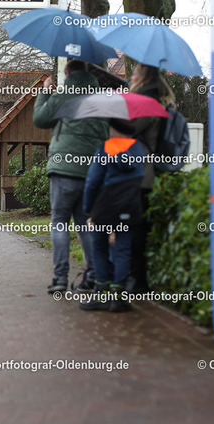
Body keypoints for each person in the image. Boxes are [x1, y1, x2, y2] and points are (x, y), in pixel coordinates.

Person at [33, 60, 110, 294]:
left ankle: (59, 279)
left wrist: (46, 91)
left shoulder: (63, 95)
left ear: (67, 73)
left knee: (59, 222)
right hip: (91, 172)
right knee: (86, 225)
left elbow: (40, 119)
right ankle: (92, 278)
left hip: (63, 170)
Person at [79, 119, 145, 312]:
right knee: (123, 250)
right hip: (129, 206)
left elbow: (92, 182)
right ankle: (118, 298)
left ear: (114, 129)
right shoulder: (138, 149)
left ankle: (102, 294)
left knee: (99, 248)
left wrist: (88, 208)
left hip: (104, 206)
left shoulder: (105, 149)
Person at [128, 63, 177, 294]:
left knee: (135, 227)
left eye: (134, 74)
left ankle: (138, 282)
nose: (130, 77)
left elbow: (128, 129)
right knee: (140, 226)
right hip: (152, 170)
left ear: (143, 77)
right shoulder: (161, 100)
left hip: (140, 171)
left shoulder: (146, 102)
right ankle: (139, 279)